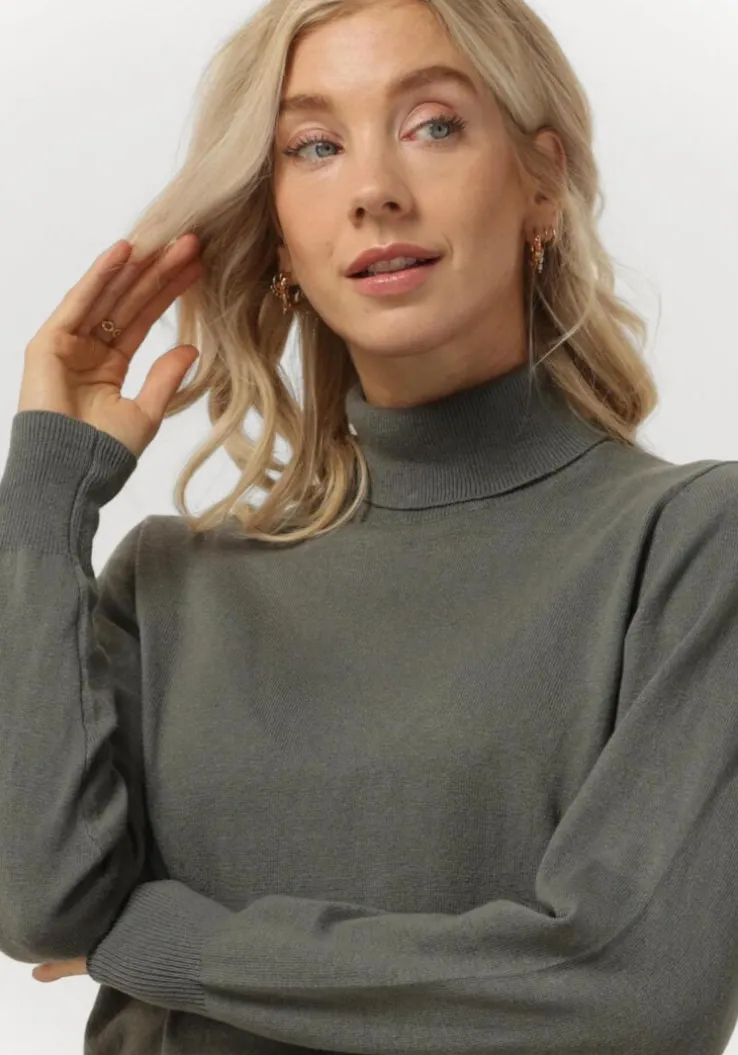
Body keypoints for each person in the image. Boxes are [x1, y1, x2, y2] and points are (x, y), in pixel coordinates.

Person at [1, 0, 738, 1052]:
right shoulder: (172, 585)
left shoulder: (690, 544)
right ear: (281, 235)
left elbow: (637, 989)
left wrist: (178, 943)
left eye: (433, 124)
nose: (374, 190)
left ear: (543, 180)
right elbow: (41, 905)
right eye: (315, 145)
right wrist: (46, 489)